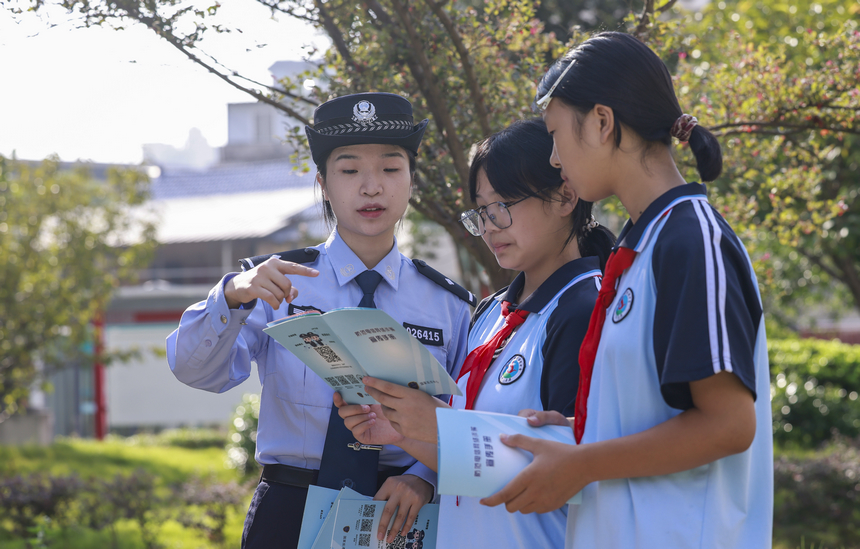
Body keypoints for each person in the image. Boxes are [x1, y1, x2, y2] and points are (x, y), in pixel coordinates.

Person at [479, 32, 774, 548]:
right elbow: (660, 416)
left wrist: (584, 461)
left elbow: (728, 425)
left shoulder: (689, 239)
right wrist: (580, 429)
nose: (553, 157)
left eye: (555, 135)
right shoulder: (643, 246)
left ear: (601, 121)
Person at [166, 92, 475, 549]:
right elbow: (195, 370)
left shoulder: (449, 304)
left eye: (391, 169)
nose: (372, 187)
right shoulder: (273, 281)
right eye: (350, 171)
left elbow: (468, 412)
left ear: (412, 180)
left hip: (401, 511)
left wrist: (425, 477)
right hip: (289, 509)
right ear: (324, 185)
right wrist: (232, 295)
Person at [335, 118, 616, 548]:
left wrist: (439, 425)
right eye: (481, 212)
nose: (489, 226)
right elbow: (477, 464)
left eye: (503, 205)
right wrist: (404, 432)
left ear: (565, 196)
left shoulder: (585, 311)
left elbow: (577, 472)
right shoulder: (490, 312)